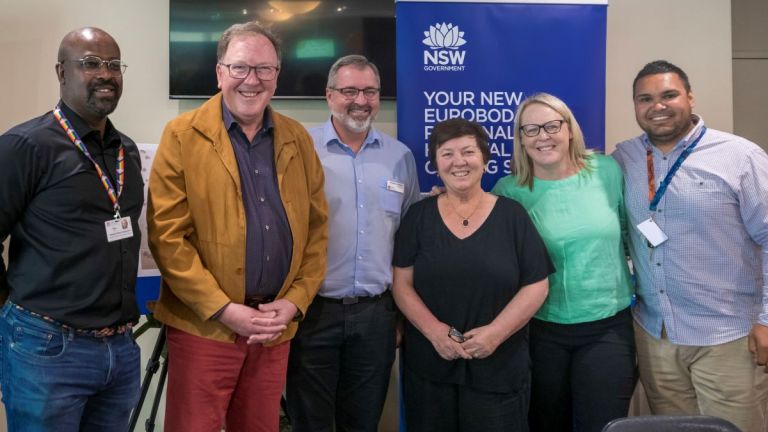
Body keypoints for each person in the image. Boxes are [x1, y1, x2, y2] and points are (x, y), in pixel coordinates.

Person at [147, 21, 328, 432]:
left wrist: (295, 301)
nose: (252, 80)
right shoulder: (181, 135)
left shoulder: (298, 139)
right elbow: (167, 237)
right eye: (241, 68)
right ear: (220, 73)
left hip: (272, 329)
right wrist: (224, 309)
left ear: (277, 76)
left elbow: (317, 232)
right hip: (205, 328)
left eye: (265, 69)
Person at [612, 60, 768, 432]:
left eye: (669, 95)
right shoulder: (624, 158)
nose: (657, 106)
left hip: (728, 337)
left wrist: (766, 319)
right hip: (656, 337)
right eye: (645, 98)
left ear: (690, 97)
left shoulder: (740, 156)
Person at [0, 27, 142, 431]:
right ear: (62, 72)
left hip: (120, 351)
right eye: (91, 63)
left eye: (114, 65)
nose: (106, 74)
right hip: (46, 348)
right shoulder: (24, 146)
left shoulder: (125, 151)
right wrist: (11, 313)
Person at [286, 55, 421, 431]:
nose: (360, 100)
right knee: (309, 421)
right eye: (349, 91)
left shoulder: (401, 158)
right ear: (329, 96)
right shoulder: (299, 148)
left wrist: (399, 314)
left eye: (370, 91)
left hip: (376, 317)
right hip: (312, 312)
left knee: (363, 422)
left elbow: (407, 240)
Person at [392, 118, 553, 432]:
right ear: (435, 164)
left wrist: (495, 333)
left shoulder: (512, 215)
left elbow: (537, 284)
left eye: (468, 152)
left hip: (499, 366)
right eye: (447, 154)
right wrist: (435, 331)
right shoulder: (418, 217)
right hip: (430, 366)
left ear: (485, 159)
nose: (459, 162)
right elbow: (402, 283)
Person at [492, 93, 636, 431]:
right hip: (541, 331)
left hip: (608, 327)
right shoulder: (508, 191)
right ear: (521, 140)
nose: (543, 136)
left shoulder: (607, 171)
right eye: (531, 130)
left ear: (569, 129)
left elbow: (630, 235)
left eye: (551, 125)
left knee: (603, 425)